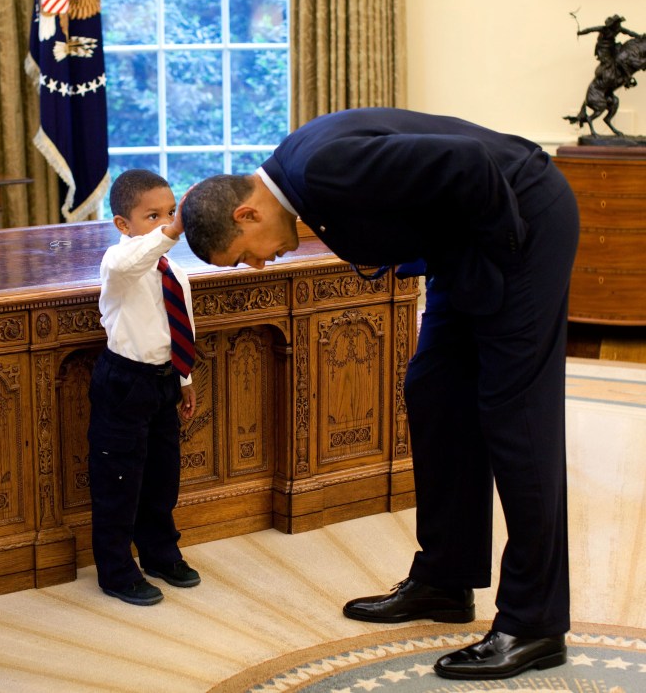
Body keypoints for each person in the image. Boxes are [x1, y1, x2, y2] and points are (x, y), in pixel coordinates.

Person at [181, 107, 579, 681]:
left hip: (520, 225)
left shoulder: (321, 169)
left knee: (518, 419)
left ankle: (535, 623)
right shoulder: (301, 176)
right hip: (470, 245)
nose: (259, 262)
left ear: (246, 212)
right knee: (435, 393)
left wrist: (504, 260)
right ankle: (445, 580)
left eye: (245, 252)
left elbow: (470, 163)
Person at [88, 169, 200, 606]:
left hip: (163, 382)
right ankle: (116, 570)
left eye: (170, 212)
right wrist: (172, 230)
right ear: (123, 225)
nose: (164, 222)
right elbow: (130, 260)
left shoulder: (172, 269)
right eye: (152, 215)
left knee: (161, 475)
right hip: (124, 383)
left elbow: (180, 323)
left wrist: (185, 378)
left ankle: (160, 552)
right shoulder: (118, 265)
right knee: (119, 479)